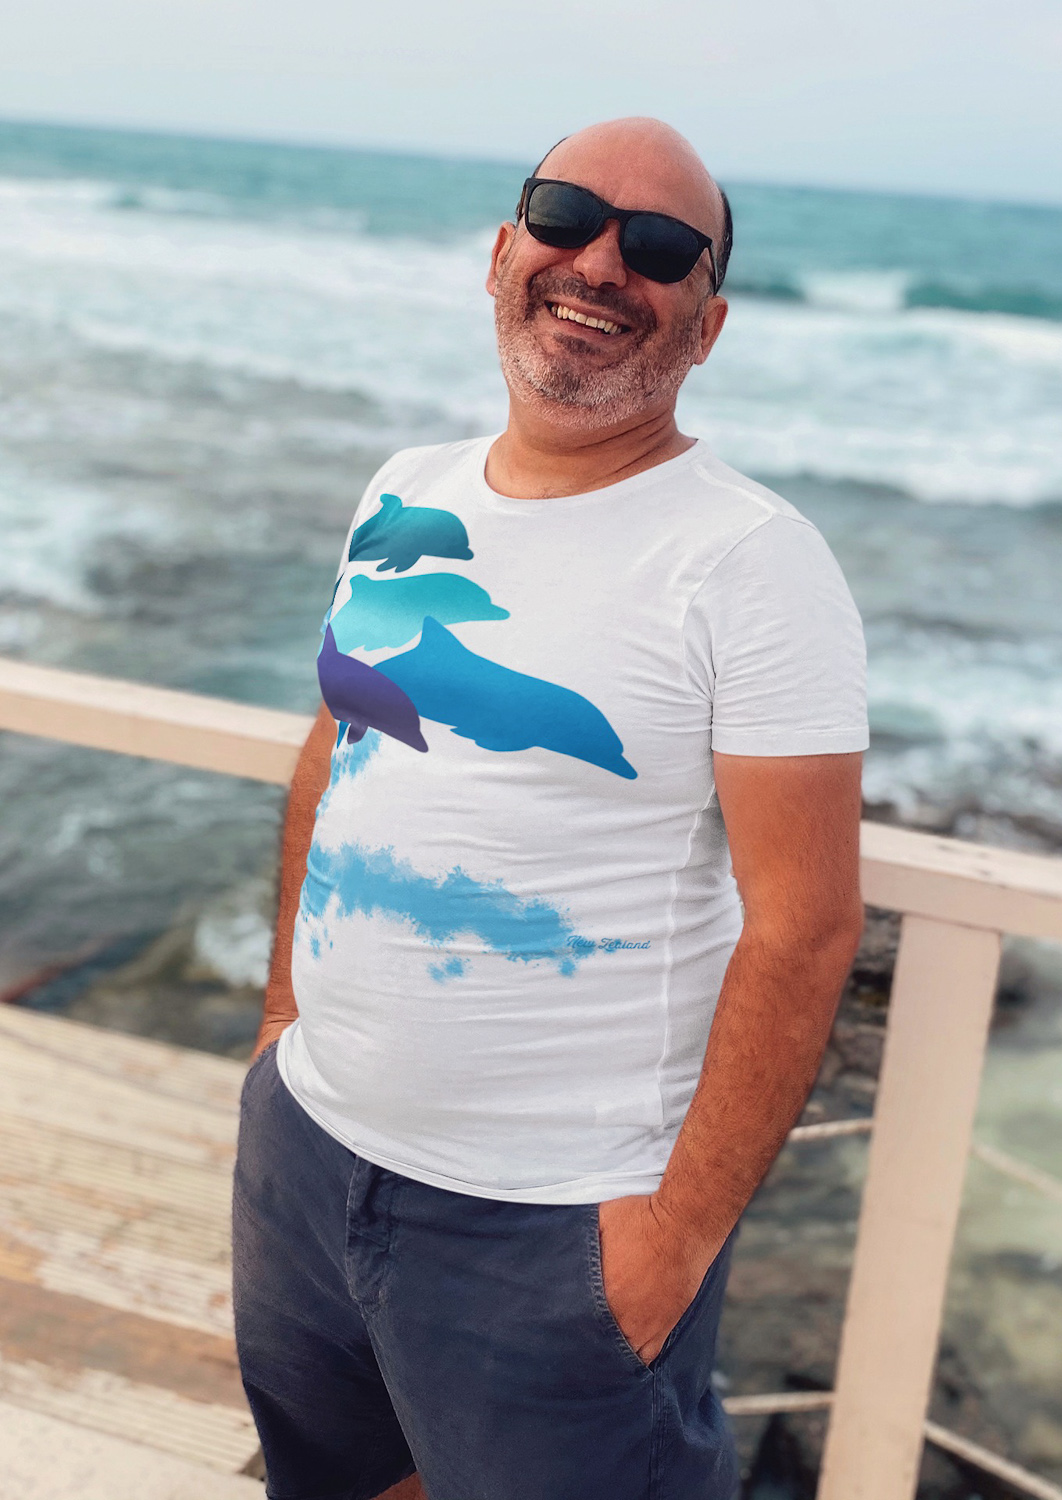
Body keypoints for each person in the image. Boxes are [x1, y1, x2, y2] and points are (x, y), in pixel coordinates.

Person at [233, 117, 868, 1500]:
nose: (598, 263)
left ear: (703, 327)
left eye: (655, 248)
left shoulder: (751, 564)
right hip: (309, 1151)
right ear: (500, 252)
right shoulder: (405, 489)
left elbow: (807, 927)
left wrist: (676, 1234)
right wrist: (283, 1020)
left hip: (549, 1227)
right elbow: (340, 743)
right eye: (565, 215)